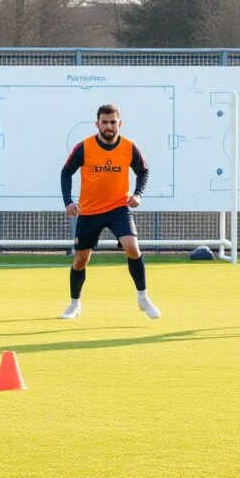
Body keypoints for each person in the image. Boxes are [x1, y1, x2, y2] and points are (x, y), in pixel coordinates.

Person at [59, 103, 159, 320]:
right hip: (89, 211)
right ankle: (74, 304)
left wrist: (138, 194)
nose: (109, 126)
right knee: (80, 260)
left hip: (118, 209)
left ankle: (143, 297)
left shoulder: (129, 147)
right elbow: (66, 172)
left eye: (113, 122)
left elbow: (144, 171)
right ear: (97, 124)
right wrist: (68, 201)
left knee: (132, 247)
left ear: (119, 124)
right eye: (104, 122)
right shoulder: (83, 148)